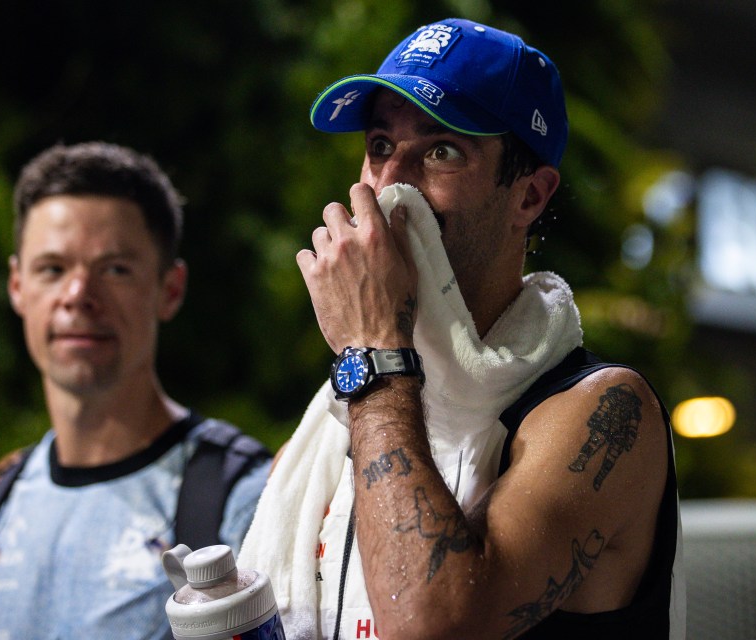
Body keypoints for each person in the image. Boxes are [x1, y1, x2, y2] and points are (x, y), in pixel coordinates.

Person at [238, 18, 684, 639]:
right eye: (379, 147)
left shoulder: (602, 412)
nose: (391, 185)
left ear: (529, 196)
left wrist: (373, 349)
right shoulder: (324, 435)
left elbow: (430, 625)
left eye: (441, 151)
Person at [0, 141, 271, 639]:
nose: (78, 296)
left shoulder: (244, 503)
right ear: (16, 286)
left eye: (115, 269)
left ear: (170, 289)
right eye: (52, 269)